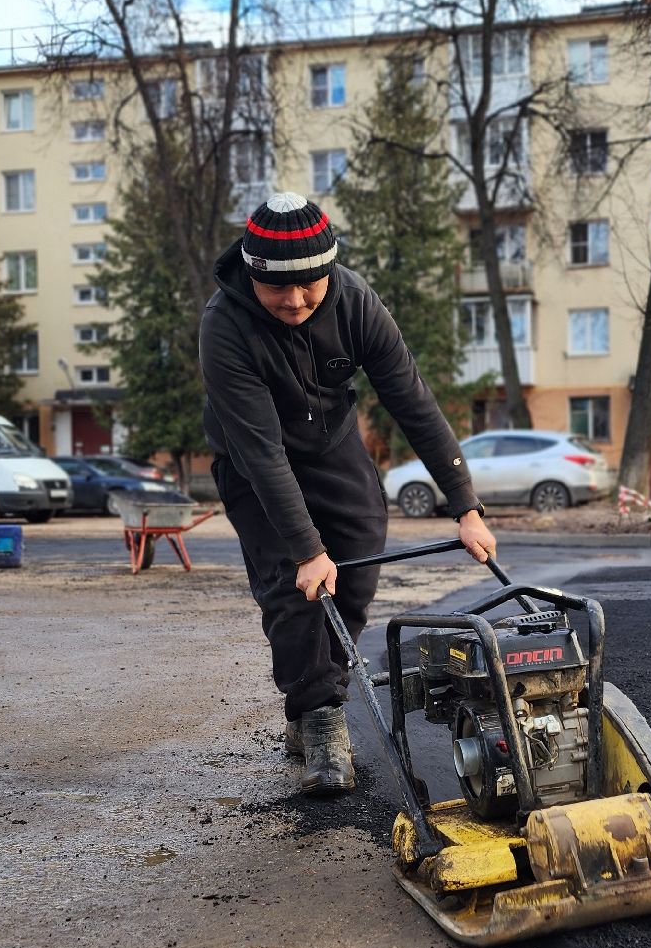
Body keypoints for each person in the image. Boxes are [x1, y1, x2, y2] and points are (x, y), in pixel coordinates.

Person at [199, 192, 495, 796]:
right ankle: (323, 718)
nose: (297, 300)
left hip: (332, 445)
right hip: (253, 460)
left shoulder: (354, 301)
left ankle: (310, 699)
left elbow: (411, 399)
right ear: (253, 276)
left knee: (356, 566)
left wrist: (465, 505)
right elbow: (261, 453)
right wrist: (307, 549)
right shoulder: (224, 326)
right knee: (295, 584)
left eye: (310, 284)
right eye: (280, 288)